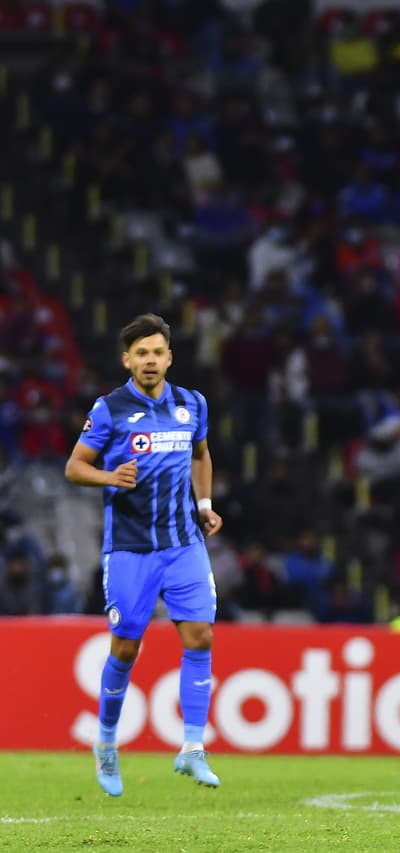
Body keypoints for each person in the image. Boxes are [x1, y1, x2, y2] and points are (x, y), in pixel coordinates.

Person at [65, 314, 224, 796]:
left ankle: (192, 747)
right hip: (131, 548)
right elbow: (74, 466)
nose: (150, 360)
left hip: (184, 543)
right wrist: (109, 477)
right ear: (127, 360)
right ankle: (106, 743)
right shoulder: (110, 409)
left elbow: (200, 454)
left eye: (157, 352)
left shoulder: (191, 403)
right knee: (125, 648)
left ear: (169, 357)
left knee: (199, 635)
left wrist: (204, 505)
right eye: (141, 353)